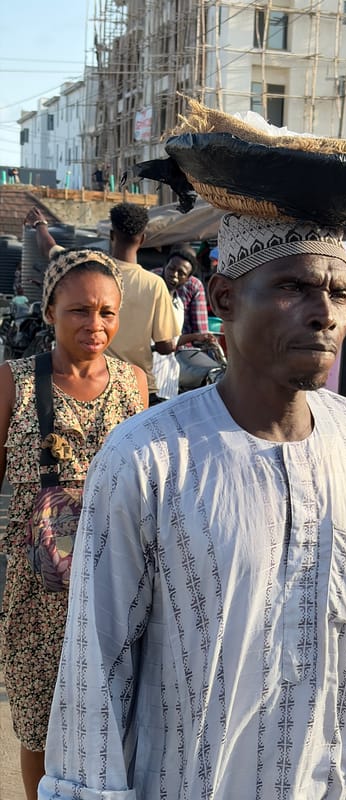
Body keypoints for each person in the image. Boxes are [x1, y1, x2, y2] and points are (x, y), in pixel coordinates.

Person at [39, 213, 346, 800]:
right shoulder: (148, 458)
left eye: (339, 293)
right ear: (225, 298)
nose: (324, 313)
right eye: (293, 287)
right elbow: (95, 675)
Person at [0, 248, 148, 800]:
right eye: (80, 311)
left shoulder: (134, 384)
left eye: (107, 312)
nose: (96, 324)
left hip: (119, 584)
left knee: (118, 720)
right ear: (50, 312)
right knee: (40, 725)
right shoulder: (13, 383)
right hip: (38, 597)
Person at [25, 204, 180, 405]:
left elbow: (50, 248)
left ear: (111, 235)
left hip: (88, 382)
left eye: (107, 313)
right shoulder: (155, 284)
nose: (95, 325)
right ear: (143, 239)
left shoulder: (84, 271)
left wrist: (40, 225)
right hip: (136, 390)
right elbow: (165, 345)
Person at [152, 246, 217, 391]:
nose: (174, 275)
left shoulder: (179, 303)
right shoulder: (152, 285)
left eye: (181, 273)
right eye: (171, 269)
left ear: (187, 278)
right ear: (165, 266)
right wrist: (197, 337)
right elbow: (166, 344)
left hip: (173, 359)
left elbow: (173, 341)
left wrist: (200, 338)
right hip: (156, 358)